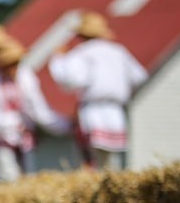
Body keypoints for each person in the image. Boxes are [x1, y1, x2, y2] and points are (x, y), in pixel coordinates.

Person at [49, 11, 148, 171]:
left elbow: (71, 79)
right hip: (116, 111)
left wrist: (58, 59)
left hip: (93, 111)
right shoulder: (118, 52)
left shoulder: (83, 52)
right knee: (111, 161)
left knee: (93, 160)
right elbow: (139, 77)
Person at [0, 41, 71, 183]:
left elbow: (38, 110)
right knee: (8, 176)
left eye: (16, 63)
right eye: (11, 64)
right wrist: (14, 122)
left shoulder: (26, 78)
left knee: (28, 177)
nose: (14, 68)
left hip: (24, 137)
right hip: (1, 138)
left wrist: (64, 126)